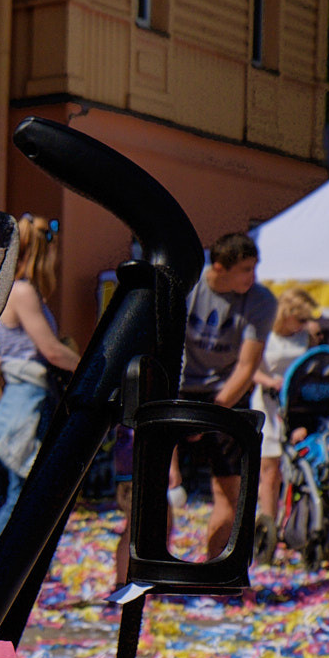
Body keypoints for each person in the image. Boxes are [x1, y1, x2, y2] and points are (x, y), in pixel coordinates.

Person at [116, 230, 272, 582]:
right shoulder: (188, 289)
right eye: (245, 269)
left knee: (230, 490)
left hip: (225, 395)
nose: (253, 277)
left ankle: (215, 573)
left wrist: (212, 415)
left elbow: (246, 368)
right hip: (176, 389)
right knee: (156, 489)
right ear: (219, 267)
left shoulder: (260, 301)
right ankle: (137, 576)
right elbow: (160, 350)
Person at [0, 215, 79, 532]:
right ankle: (0, 577)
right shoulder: (23, 291)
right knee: (19, 501)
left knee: (14, 499)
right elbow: (50, 350)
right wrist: (92, 365)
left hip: (17, 400)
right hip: (27, 402)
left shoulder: (9, 289)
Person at [252, 288, 316, 555]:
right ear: (288, 315)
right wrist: (270, 382)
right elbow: (250, 367)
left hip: (295, 404)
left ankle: (292, 522)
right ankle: (269, 524)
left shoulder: (306, 336)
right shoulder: (266, 334)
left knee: (296, 465)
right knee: (270, 468)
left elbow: (311, 365)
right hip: (267, 401)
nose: (303, 324)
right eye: (300, 319)